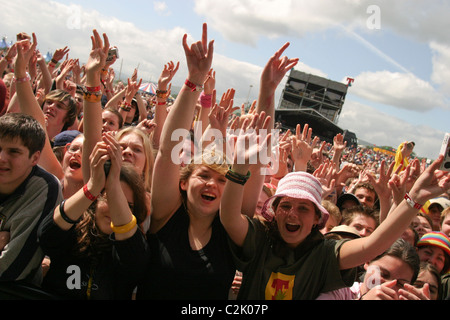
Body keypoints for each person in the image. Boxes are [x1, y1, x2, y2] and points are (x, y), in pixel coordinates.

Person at [220, 115, 450, 301]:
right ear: (274, 210)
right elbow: (230, 219)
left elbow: (374, 245)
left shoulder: (326, 254)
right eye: (286, 205)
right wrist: (239, 168)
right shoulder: (260, 238)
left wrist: (414, 199)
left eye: (303, 208)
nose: (292, 213)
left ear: (317, 218)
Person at [136, 23, 238, 300]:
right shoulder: (167, 213)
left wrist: (267, 92)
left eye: (221, 180)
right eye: (204, 175)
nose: (212, 184)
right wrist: (194, 81)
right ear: (182, 183)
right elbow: (169, 147)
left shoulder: (231, 229)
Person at [37, 133, 148, 299]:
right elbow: (47, 235)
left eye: (127, 205)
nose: (114, 209)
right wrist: (93, 186)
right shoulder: (74, 230)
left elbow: (134, 260)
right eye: (108, 198)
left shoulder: (137, 247)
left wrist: (113, 187)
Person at [0, 113, 62, 286]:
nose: (1, 158)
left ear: (35, 158)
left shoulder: (45, 187)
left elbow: (12, 268)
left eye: (13, 152)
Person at [317, 239, 423, 300]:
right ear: (367, 262)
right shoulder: (340, 291)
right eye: (383, 274)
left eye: (400, 283)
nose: (388, 285)